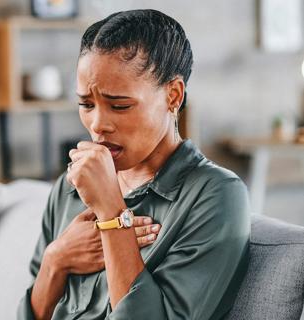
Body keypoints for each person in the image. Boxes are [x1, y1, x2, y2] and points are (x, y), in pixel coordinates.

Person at [17, 9, 250, 320]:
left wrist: (112, 214)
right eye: (86, 104)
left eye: (119, 105)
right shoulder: (70, 187)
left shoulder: (216, 196)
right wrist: (56, 258)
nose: (98, 125)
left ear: (173, 95)